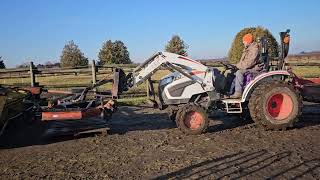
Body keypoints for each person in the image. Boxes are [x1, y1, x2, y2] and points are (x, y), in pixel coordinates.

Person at [230, 33, 262, 98]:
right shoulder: (247, 49)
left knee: (239, 72)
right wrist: (235, 65)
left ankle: (238, 92)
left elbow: (250, 62)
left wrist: (238, 66)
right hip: (250, 67)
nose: (243, 43)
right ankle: (230, 92)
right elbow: (243, 62)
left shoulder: (254, 49)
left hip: (255, 69)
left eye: (244, 41)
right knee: (232, 72)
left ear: (248, 41)